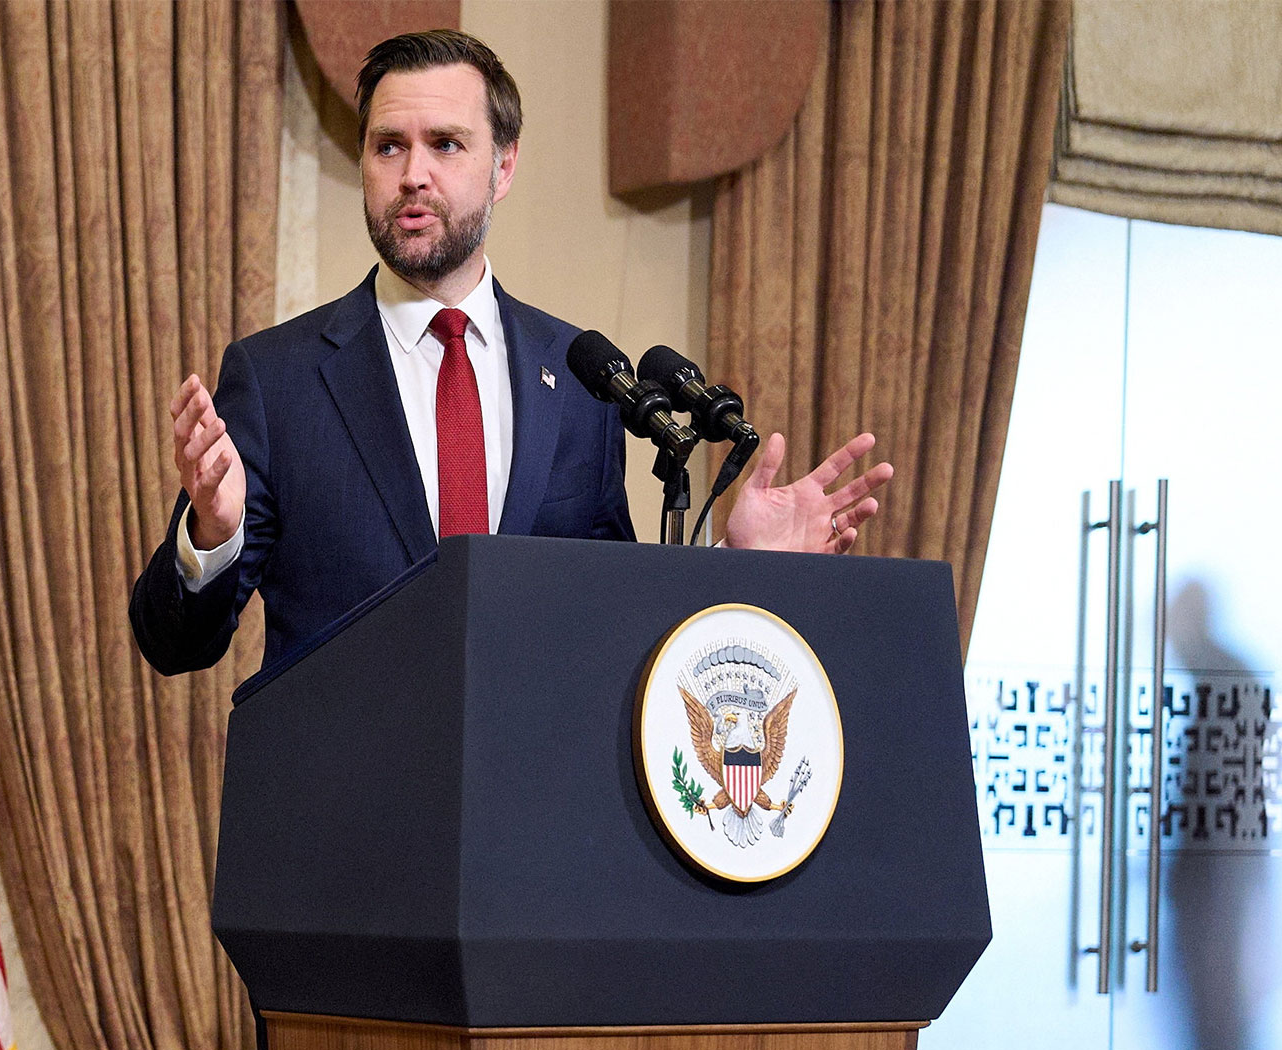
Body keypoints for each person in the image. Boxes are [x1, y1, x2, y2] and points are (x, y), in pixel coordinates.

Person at [129, 29, 891, 680]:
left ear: (504, 166)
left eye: (446, 145)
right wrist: (210, 534)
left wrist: (734, 562)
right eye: (387, 146)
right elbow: (174, 645)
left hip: (529, 820)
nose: (413, 175)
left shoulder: (584, 376)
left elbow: (613, 629)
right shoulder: (278, 381)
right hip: (347, 824)